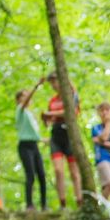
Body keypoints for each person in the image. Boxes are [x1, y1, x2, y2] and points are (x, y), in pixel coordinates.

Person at [41, 74, 82, 209]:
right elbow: (49, 121)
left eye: (55, 81)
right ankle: (62, 203)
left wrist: (51, 114)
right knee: (58, 170)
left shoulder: (72, 96)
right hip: (56, 137)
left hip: (69, 136)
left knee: (74, 172)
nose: (53, 85)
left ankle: (80, 201)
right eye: (51, 83)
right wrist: (45, 119)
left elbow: (70, 112)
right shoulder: (52, 100)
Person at [16, 86, 48, 211]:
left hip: (34, 146)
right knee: (30, 175)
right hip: (24, 146)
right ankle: (29, 205)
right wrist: (36, 87)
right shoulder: (20, 110)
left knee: (41, 175)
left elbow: (34, 135)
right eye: (24, 96)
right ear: (19, 100)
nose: (27, 98)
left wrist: (45, 140)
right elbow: (25, 134)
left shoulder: (30, 115)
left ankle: (44, 205)